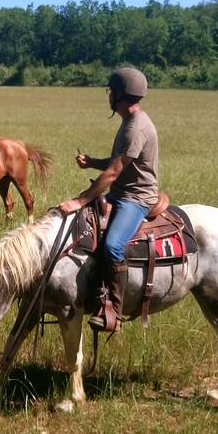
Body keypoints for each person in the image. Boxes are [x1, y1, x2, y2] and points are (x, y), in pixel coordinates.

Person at [57, 67, 159, 333]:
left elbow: (113, 173)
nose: (109, 96)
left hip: (136, 197)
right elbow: (118, 163)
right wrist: (92, 163)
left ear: (120, 95)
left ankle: (113, 308)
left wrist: (81, 200)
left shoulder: (135, 128)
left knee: (113, 245)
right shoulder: (129, 122)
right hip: (120, 193)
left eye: (111, 91)